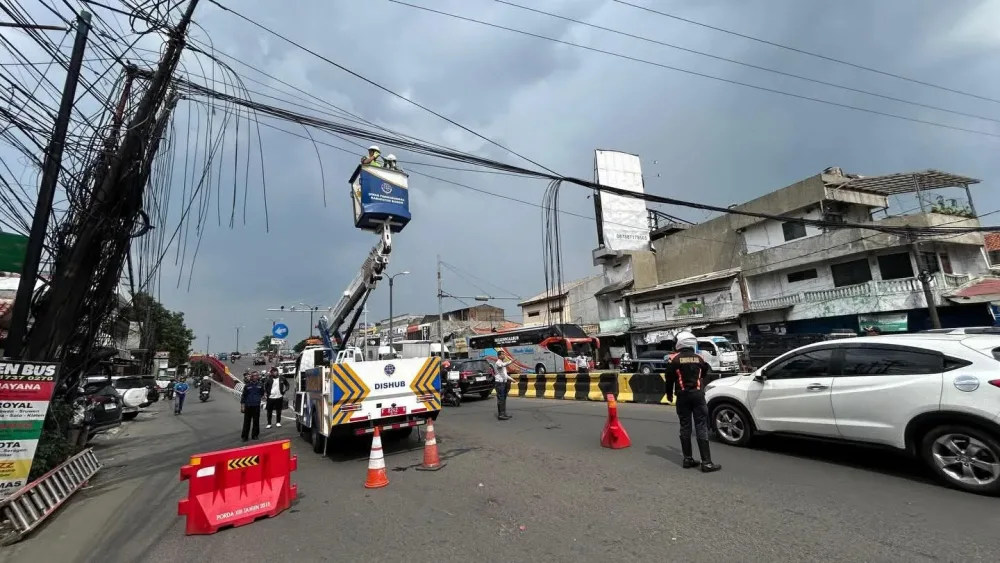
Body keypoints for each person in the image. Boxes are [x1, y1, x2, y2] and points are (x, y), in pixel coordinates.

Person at [667, 331, 721, 473]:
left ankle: (688, 459)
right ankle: (707, 463)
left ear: (680, 343)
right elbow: (704, 373)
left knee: (685, 427)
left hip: (682, 396)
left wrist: (668, 395)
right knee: (701, 427)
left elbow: (669, 379)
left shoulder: (675, 359)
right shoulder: (699, 358)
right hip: (697, 396)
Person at [240, 371, 265, 441]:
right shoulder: (247, 386)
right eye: (253, 376)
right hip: (248, 406)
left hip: (256, 406)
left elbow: (262, 393)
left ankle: (255, 435)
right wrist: (242, 406)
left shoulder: (260, 385)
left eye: (256, 376)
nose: (255, 377)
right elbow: (243, 396)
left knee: (256, 421)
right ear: (251, 377)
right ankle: (245, 436)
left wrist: (262, 397)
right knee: (246, 422)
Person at [493, 350, 515, 420]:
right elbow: (503, 365)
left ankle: (504, 413)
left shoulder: (502, 363)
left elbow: (505, 375)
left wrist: (512, 379)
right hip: (499, 383)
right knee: (501, 399)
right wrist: (511, 361)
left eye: (504, 354)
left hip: (503, 383)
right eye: (502, 354)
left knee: (503, 399)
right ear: (499, 356)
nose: (504, 356)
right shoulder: (498, 363)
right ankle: (501, 415)